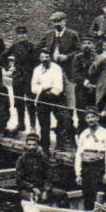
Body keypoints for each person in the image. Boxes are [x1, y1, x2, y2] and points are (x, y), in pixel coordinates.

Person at [39, 13, 81, 148]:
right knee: (55, 103)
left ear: (65, 21)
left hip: (67, 74)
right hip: (52, 74)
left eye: (59, 21)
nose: (57, 24)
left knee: (69, 106)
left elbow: (79, 51)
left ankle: (69, 136)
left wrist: (67, 57)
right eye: (54, 22)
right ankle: (59, 137)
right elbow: (38, 49)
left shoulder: (72, 34)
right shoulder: (49, 35)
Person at [73, 111, 106, 211]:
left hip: (99, 167)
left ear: (97, 118)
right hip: (86, 167)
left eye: (93, 117)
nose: (91, 120)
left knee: (99, 194)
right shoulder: (84, 134)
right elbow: (79, 154)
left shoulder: (105, 133)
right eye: (88, 117)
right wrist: (78, 174)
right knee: (87, 194)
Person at [29, 48, 65, 154]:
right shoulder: (37, 70)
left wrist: (43, 87)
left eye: (47, 57)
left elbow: (58, 87)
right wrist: (46, 87)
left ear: (50, 58)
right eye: (42, 57)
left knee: (62, 120)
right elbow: (33, 88)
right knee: (44, 125)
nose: (45, 59)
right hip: (42, 97)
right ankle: (45, 149)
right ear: (40, 58)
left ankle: (60, 145)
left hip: (55, 97)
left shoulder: (56, 68)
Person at [4, 26, 39, 136]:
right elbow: (3, 56)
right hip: (18, 78)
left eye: (23, 34)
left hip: (29, 78)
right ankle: (21, 124)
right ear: (17, 35)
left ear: (27, 35)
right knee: (18, 102)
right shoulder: (14, 46)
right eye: (19, 34)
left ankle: (33, 126)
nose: (21, 36)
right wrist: (8, 68)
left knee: (30, 102)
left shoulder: (32, 47)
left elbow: (37, 62)